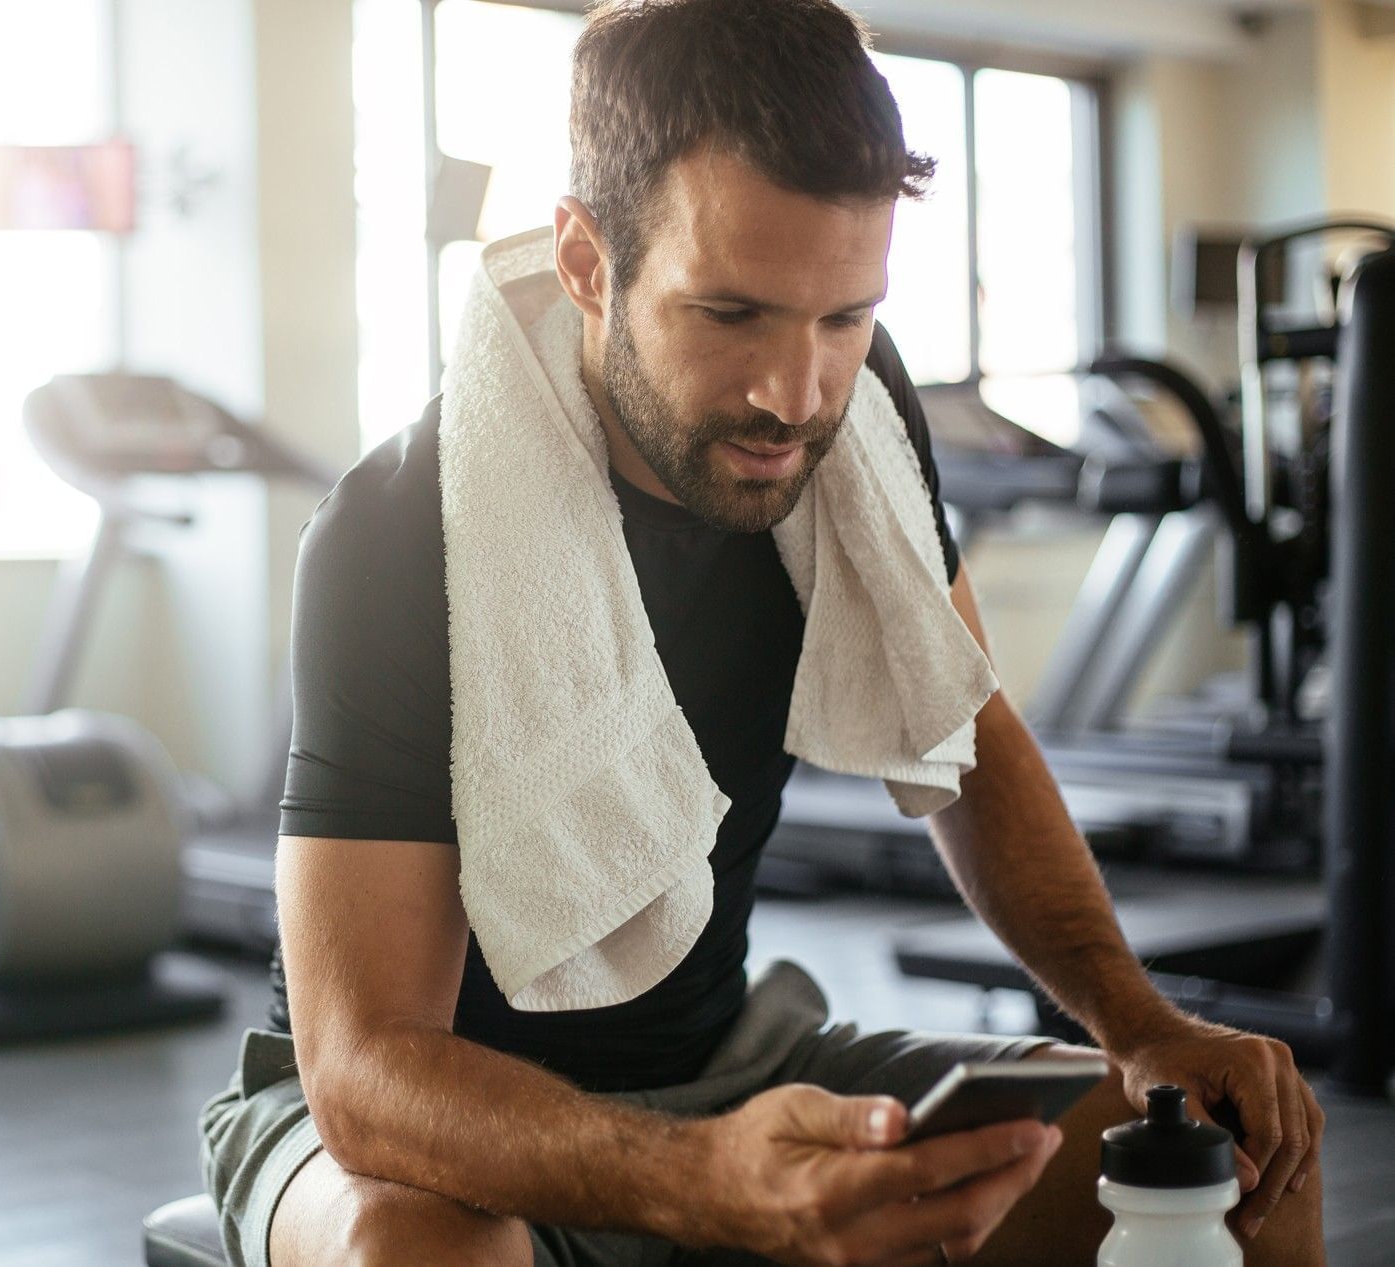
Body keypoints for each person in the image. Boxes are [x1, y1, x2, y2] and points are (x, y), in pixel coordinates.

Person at [198, 2, 1326, 1263]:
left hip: (724, 1066)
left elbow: (964, 722)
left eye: (845, 319)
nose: (796, 397)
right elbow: (364, 1073)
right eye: (730, 314)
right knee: (416, 1255)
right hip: (415, 1128)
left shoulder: (864, 411)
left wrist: (1138, 1021)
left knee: (1223, 1167)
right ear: (584, 259)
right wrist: (701, 1177)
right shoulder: (398, 532)